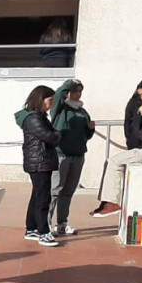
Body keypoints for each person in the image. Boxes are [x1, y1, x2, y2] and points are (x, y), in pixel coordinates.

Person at [91, 78, 142, 217]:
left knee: (114, 161)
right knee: (113, 161)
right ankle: (109, 202)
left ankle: (111, 202)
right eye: (140, 94)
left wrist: (138, 117)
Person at [15, 85, 62, 247]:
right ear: (41, 99)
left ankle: (31, 228)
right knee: (43, 198)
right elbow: (51, 137)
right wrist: (59, 134)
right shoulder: (34, 118)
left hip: (41, 161)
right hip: (39, 162)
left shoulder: (39, 116)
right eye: (50, 100)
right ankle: (43, 232)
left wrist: (55, 133)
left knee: (37, 195)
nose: (52, 104)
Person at [47, 78, 94, 235]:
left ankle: (62, 223)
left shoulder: (82, 111)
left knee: (68, 191)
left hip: (78, 155)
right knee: (55, 190)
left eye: (80, 91)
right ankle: (45, 224)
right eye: (75, 90)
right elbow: (59, 93)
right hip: (61, 154)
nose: (78, 94)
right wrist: (70, 82)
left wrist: (90, 130)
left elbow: (86, 135)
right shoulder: (59, 108)